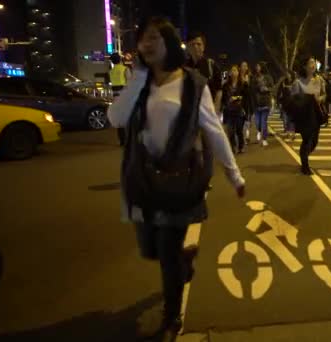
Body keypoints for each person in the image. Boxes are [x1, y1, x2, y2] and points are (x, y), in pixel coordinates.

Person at [107, 17, 245, 342]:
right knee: (151, 250)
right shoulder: (140, 81)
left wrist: (234, 174)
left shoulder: (192, 84)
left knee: (166, 254)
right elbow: (116, 117)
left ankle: (172, 316)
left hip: (179, 179)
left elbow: (212, 129)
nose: (147, 44)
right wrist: (138, 80)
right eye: (143, 39)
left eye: (155, 37)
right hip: (142, 178)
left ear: (169, 43)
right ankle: (185, 260)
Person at [290, 56, 326, 175]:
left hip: (316, 113)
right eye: (310, 63)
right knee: (307, 140)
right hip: (304, 115)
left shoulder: (319, 80)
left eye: (314, 62)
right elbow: (293, 100)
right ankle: (305, 165)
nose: (313, 65)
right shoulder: (298, 82)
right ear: (304, 66)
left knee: (314, 141)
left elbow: (324, 95)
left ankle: (303, 155)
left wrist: (319, 99)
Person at [185, 31, 223, 116]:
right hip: (190, 114)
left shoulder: (211, 65)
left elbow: (219, 91)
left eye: (199, 44)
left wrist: (215, 111)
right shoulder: (183, 68)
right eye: (192, 44)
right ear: (187, 47)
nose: (195, 47)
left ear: (203, 47)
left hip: (208, 113)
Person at [222, 65, 248, 154]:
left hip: (239, 110)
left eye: (235, 70)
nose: (234, 72)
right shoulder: (225, 85)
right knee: (230, 131)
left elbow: (245, 97)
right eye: (232, 70)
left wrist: (235, 98)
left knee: (239, 130)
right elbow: (223, 98)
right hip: (229, 111)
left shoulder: (242, 84)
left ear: (238, 72)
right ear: (229, 73)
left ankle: (241, 146)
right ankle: (233, 146)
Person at [109, 53, 132, 146]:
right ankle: (129, 139)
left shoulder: (111, 71)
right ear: (120, 60)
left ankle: (122, 140)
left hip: (115, 97)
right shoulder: (125, 69)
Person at [252, 62, 274, 147]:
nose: (257, 68)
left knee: (263, 121)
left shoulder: (268, 77)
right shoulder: (254, 78)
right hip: (257, 103)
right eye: (256, 66)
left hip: (266, 102)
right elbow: (252, 89)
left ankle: (264, 139)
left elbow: (272, 87)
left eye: (258, 66)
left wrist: (267, 89)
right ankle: (259, 131)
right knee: (258, 123)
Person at [277, 71, 296, 139]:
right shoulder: (283, 82)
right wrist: (279, 102)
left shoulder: (295, 82)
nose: (287, 75)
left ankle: (293, 133)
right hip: (285, 103)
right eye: (286, 74)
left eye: (288, 74)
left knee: (292, 119)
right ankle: (288, 132)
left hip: (293, 103)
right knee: (286, 119)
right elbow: (279, 93)